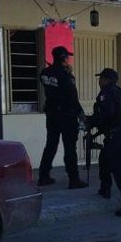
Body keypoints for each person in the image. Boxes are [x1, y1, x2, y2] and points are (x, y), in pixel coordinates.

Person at [87, 68, 121, 217]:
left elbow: (106, 114)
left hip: (115, 136)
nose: (99, 81)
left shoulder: (107, 93)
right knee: (104, 160)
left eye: (101, 78)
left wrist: (91, 121)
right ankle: (105, 189)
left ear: (106, 80)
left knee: (119, 170)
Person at [37, 46, 87, 188]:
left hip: (52, 114)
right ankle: (74, 179)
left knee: (51, 145)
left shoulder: (45, 73)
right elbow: (72, 97)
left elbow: (52, 87)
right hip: (67, 115)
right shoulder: (66, 76)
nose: (69, 59)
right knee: (70, 148)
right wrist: (81, 114)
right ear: (64, 58)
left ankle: (43, 176)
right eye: (67, 57)